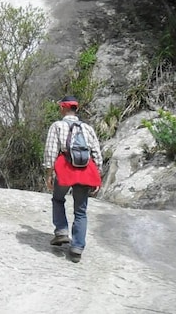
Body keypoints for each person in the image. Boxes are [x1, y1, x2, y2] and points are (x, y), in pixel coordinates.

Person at [43, 96, 103, 262]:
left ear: (63, 108)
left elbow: (51, 150)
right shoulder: (87, 128)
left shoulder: (57, 126)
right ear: (76, 109)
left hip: (65, 168)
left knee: (58, 199)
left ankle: (62, 231)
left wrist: (49, 173)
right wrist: (97, 175)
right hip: (85, 170)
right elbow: (96, 153)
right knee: (81, 211)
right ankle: (77, 248)